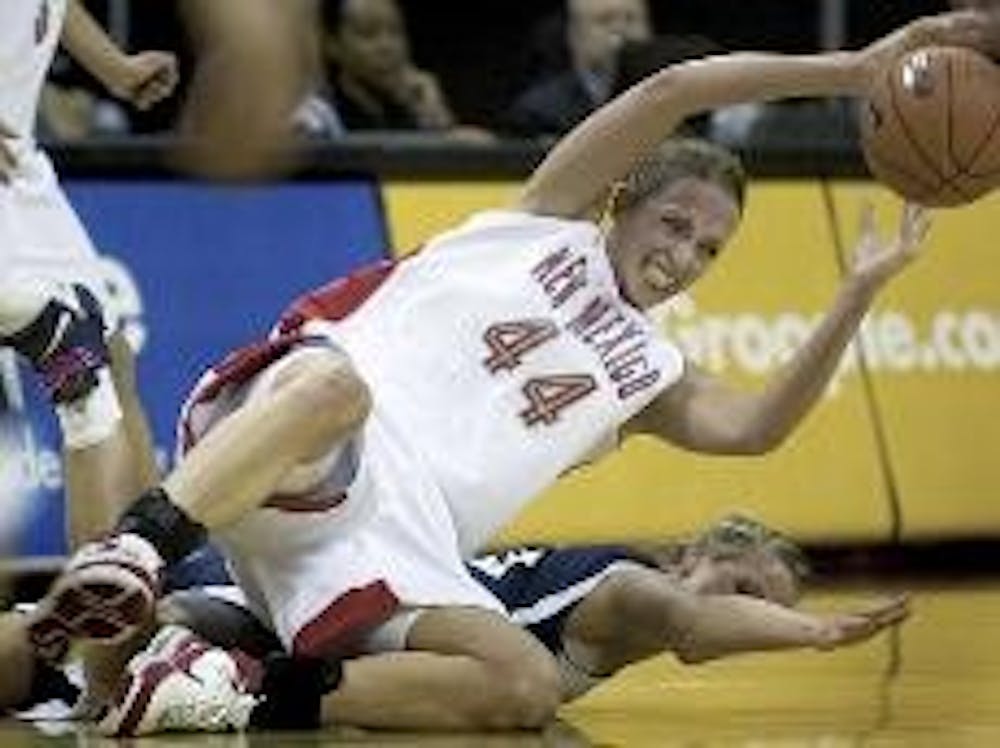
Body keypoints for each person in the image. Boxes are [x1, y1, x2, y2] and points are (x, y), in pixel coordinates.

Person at [23, 6, 1000, 735]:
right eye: (674, 225)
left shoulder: (653, 372)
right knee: (332, 387)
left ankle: (225, 693)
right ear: (620, 202)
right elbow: (674, 92)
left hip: (387, 540)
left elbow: (758, 429)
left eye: (708, 252)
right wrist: (854, 67)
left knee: (520, 685)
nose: (683, 256)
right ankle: (141, 546)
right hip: (294, 433)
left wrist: (860, 289)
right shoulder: (544, 221)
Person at [505, 0, 653, 137]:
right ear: (574, 35)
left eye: (631, 19)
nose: (620, 29)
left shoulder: (667, 93)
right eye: (605, 20)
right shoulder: (538, 111)